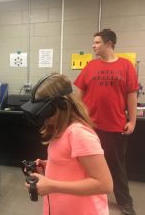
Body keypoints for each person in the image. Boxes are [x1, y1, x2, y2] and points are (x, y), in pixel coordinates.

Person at [21, 73, 113, 215]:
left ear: (62, 106)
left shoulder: (79, 134)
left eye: (44, 111)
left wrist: (52, 186)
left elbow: (104, 184)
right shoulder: (61, 131)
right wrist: (50, 165)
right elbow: (72, 163)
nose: (42, 118)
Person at [74, 29, 139, 215]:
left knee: (117, 168)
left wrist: (132, 121)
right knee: (84, 167)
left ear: (109, 43)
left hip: (115, 127)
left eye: (97, 42)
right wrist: (76, 118)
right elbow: (79, 95)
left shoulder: (126, 66)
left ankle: (125, 204)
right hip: (89, 127)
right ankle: (85, 200)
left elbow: (131, 95)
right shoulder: (90, 66)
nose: (93, 46)